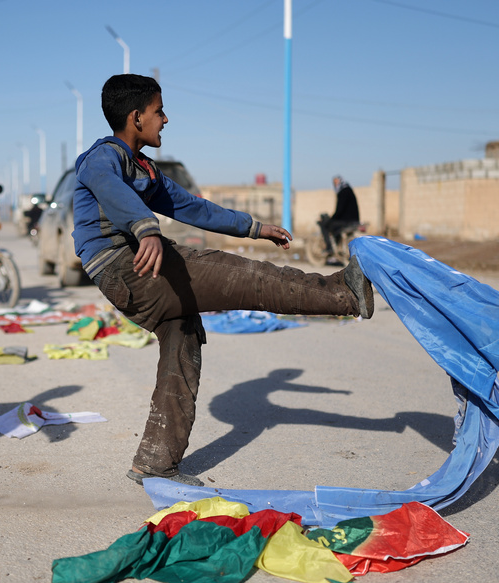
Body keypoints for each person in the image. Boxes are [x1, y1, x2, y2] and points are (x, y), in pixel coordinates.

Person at [72, 74, 374, 487]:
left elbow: (191, 207)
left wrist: (254, 228)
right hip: (128, 267)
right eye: (159, 111)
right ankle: (345, 294)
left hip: (132, 273)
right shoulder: (102, 158)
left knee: (183, 339)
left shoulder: (144, 167)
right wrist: (145, 228)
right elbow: (111, 192)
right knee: (246, 278)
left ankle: (155, 461)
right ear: (136, 117)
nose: (165, 119)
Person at [320, 175, 361, 265]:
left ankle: (329, 248)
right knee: (334, 227)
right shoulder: (347, 189)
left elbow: (340, 210)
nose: (335, 185)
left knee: (325, 224)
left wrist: (331, 218)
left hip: (347, 220)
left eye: (336, 183)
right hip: (352, 219)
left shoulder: (343, 191)